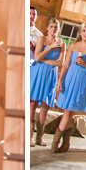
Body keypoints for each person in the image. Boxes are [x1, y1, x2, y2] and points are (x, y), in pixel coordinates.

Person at [53, 22, 86, 153]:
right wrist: (60, 80)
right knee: (68, 111)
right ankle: (63, 143)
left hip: (83, 79)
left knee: (69, 111)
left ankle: (56, 142)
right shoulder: (73, 46)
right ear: (80, 32)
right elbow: (65, 65)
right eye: (84, 31)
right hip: (70, 78)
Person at [29, 18, 64, 147]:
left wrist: (44, 60)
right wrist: (50, 47)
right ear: (47, 28)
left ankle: (40, 136)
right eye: (51, 26)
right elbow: (37, 57)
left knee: (45, 106)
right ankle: (29, 136)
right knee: (32, 104)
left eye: (56, 27)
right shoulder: (41, 40)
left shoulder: (62, 44)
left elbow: (60, 63)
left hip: (51, 75)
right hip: (37, 73)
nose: (54, 29)